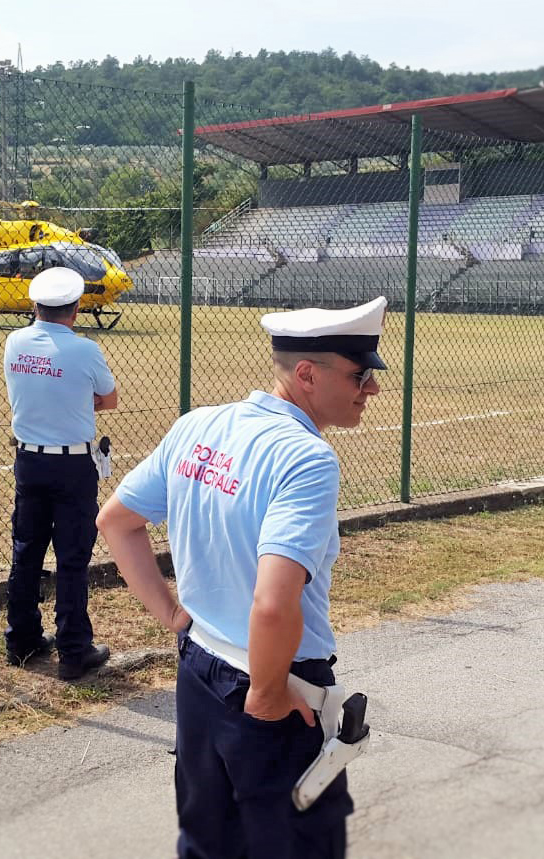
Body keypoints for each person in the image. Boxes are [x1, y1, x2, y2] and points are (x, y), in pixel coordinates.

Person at [96, 296, 386, 858]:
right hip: (272, 683)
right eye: (359, 375)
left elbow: (116, 522)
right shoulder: (306, 458)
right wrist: (268, 694)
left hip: (200, 668)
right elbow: (275, 605)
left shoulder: (198, 425)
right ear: (307, 374)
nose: (370, 389)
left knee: (209, 841)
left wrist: (172, 615)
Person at [3, 266, 117, 680]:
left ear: (35, 306)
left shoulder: (14, 342)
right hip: (72, 464)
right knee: (72, 557)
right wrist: (77, 404)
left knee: (26, 549)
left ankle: (21, 638)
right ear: (76, 309)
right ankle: (73, 648)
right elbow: (110, 398)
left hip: (29, 460)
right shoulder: (85, 350)